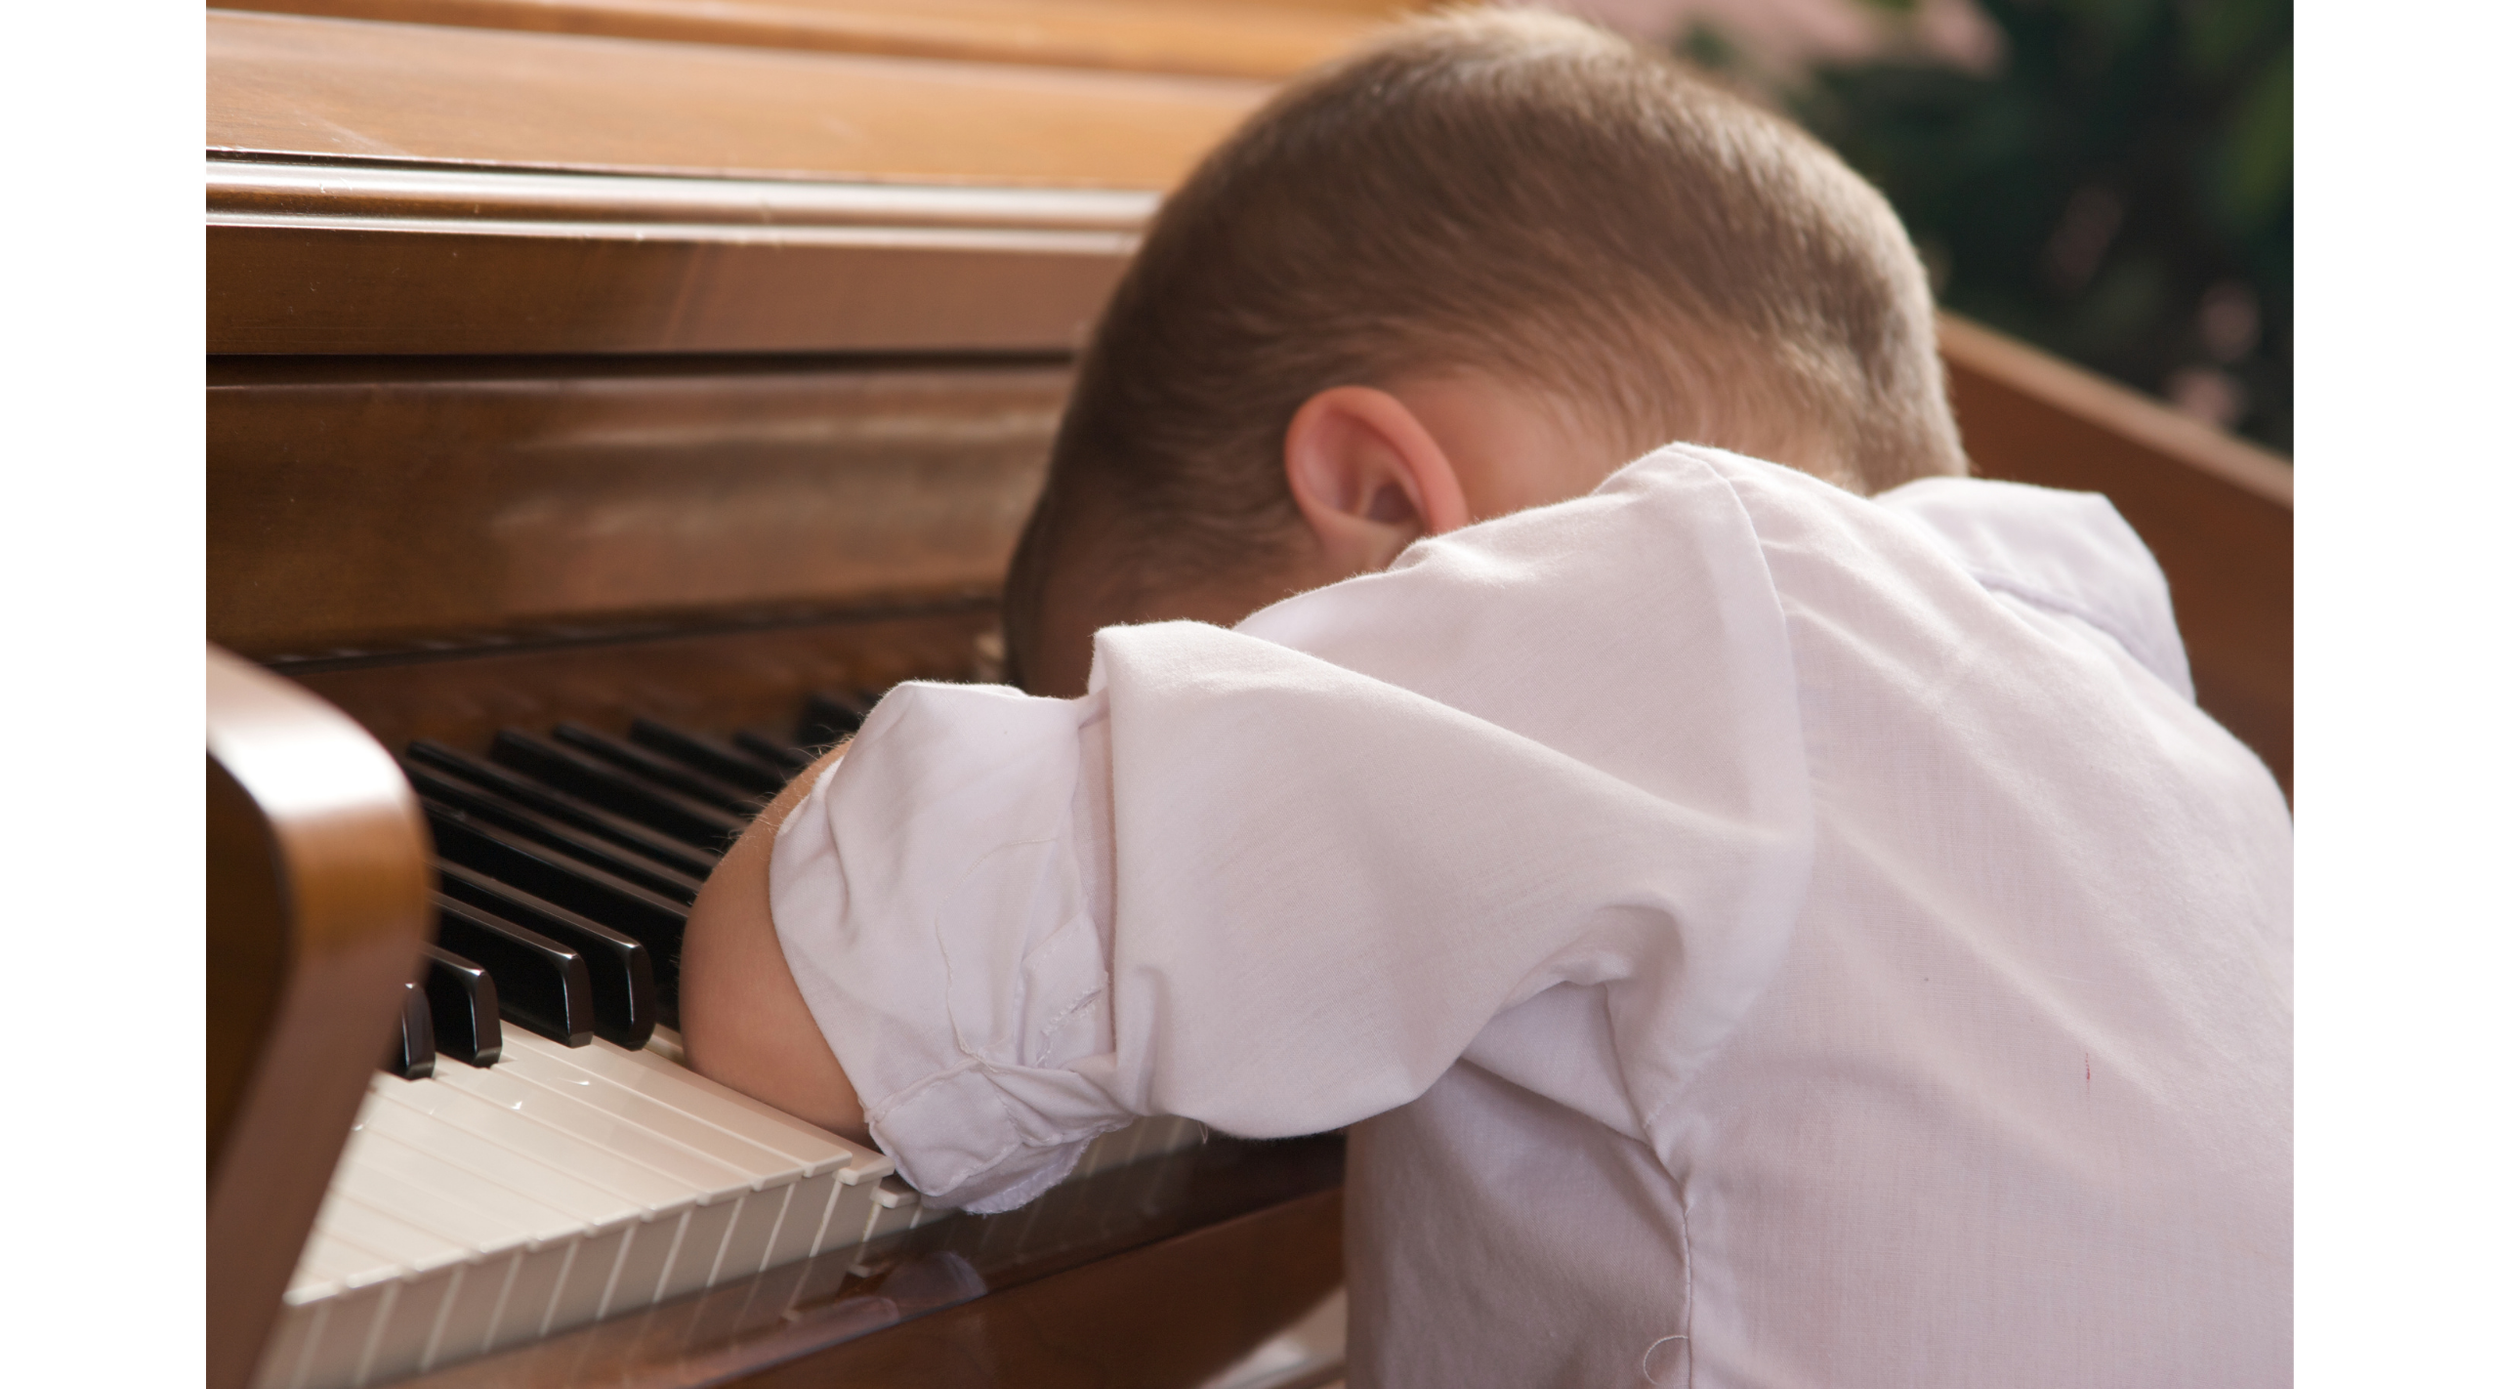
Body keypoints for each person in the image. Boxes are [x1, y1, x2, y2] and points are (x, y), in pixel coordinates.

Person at [679, 9, 2294, 1385]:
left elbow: (809, 988)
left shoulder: (1684, 606)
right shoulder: (2151, 743)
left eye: (1169, 697)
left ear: (1386, 501)